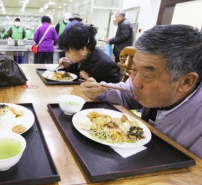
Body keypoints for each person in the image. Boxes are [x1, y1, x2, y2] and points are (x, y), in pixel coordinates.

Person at [81, 24, 202, 158]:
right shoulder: (142, 86)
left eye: (147, 75)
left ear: (186, 82)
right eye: (134, 70)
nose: (135, 82)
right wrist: (100, 91)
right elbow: (126, 93)